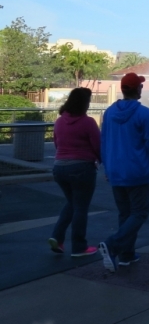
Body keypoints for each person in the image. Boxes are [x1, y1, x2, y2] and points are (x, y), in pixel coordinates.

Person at [98, 73, 149, 273]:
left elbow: (104, 142)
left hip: (116, 171)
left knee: (125, 214)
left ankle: (126, 254)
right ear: (137, 89)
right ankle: (113, 245)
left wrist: (107, 167)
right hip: (137, 171)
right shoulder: (143, 114)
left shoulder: (109, 113)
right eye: (141, 86)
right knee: (140, 212)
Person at [48, 87, 100, 258]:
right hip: (81, 168)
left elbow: (57, 144)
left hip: (59, 168)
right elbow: (98, 145)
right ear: (84, 103)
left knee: (72, 203)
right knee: (81, 208)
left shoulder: (59, 121)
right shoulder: (88, 122)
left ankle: (57, 237)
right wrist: (103, 162)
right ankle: (79, 247)